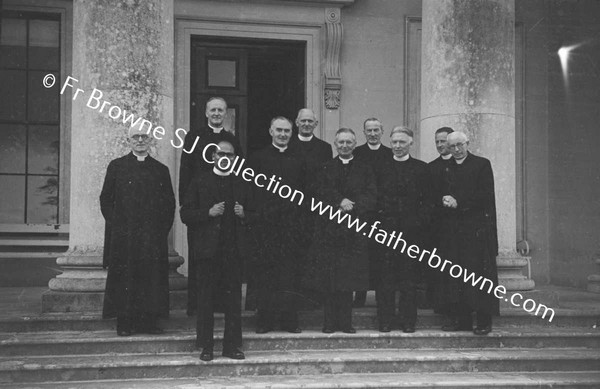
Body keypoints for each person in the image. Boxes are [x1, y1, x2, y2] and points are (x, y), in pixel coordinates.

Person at [181, 141, 252, 361]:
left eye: (230, 155)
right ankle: (206, 346)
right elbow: (186, 214)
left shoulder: (242, 182)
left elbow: (256, 214)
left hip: (233, 252)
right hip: (208, 252)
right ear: (213, 156)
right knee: (206, 300)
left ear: (235, 159)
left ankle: (231, 346)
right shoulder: (200, 181)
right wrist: (208, 212)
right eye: (221, 154)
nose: (225, 158)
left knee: (233, 302)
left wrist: (244, 214)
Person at [100, 128, 175, 336]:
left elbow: (169, 204)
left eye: (144, 137)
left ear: (150, 140)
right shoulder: (117, 167)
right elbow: (106, 199)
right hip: (125, 237)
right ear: (128, 140)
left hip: (151, 238)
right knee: (126, 278)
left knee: (150, 279)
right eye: (136, 137)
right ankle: (124, 322)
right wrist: (118, 227)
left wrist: (160, 231)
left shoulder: (161, 170)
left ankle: (148, 322)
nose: (140, 140)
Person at [304, 128, 376, 333]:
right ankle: (329, 323)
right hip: (330, 231)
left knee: (348, 279)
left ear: (355, 144)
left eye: (349, 142)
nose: (345, 146)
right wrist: (339, 201)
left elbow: (371, 194)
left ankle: (346, 323)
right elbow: (319, 192)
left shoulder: (365, 168)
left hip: (354, 230)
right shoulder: (325, 167)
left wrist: (354, 206)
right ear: (335, 145)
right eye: (341, 142)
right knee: (330, 280)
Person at [179, 97, 243, 316]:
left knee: (224, 258)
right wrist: (187, 205)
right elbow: (185, 170)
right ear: (206, 113)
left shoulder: (230, 139)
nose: (217, 113)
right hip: (200, 206)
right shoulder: (194, 137)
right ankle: (197, 306)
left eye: (221, 110)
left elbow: (240, 171)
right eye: (213, 110)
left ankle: (221, 304)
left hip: (225, 203)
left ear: (226, 114)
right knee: (201, 258)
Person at [435, 131, 499, 335]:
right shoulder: (446, 168)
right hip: (454, 232)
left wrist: (458, 202)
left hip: (477, 231)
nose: (456, 149)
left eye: (459, 145)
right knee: (457, 277)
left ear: (467, 143)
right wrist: (443, 199)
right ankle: (461, 320)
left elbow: (485, 195)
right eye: (451, 146)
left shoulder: (481, 164)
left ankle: (483, 321)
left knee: (480, 277)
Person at [248, 116, 306, 334]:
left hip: (291, 227)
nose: (283, 134)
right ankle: (264, 320)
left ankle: (289, 320)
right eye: (279, 130)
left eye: (287, 131)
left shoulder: (299, 159)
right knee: (266, 275)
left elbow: (305, 193)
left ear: (291, 133)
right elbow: (252, 193)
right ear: (271, 131)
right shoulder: (258, 158)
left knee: (289, 275)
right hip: (265, 227)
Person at [376, 126, 433, 333]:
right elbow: (375, 199)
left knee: (409, 280)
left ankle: (408, 321)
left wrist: (417, 224)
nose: (398, 146)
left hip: (412, 234)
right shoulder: (380, 167)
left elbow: (428, 202)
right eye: (395, 142)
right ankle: (385, 320)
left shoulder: (421, 169)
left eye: (402, 142)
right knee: (385, 279)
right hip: (385, 233)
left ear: (411, 143)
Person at [352, 118, 391, 307]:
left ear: (382, 131)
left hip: (384, 213)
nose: (373, 134)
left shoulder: (390, 154)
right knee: (361, 255)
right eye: (369, 130)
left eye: (376, 130)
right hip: (363, 212)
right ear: (364, 132)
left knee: (381, 255)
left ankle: (382, 296)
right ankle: (359, 295)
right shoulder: (357, 153)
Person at [422, 126, 455, 309]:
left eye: (444, 141)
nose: (440, 145)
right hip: (437, 225)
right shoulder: (431, 168)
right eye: (437, 142)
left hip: (457, 225)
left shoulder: (460, 165)